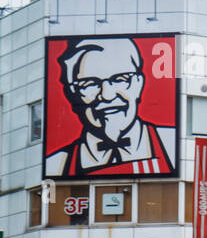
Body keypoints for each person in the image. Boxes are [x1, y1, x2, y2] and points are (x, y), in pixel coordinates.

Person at [46, 37, 177, 177]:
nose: (107, 96)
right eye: (89, 83)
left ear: (139, 84)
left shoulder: (173, 145)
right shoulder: (56, 165)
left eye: (120, 79)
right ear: (72, 93)